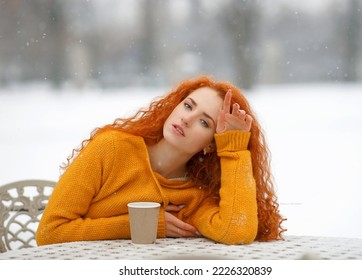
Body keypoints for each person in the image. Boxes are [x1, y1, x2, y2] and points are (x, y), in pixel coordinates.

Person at [36, 75, 285, 246]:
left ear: (212, 143)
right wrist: (142, 226)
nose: (187, 119)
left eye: (204, 121)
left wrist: (233, 149)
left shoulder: (193, 196)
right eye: (188, 106)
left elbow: (236, 231)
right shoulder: (111, 148)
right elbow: (50, 232)